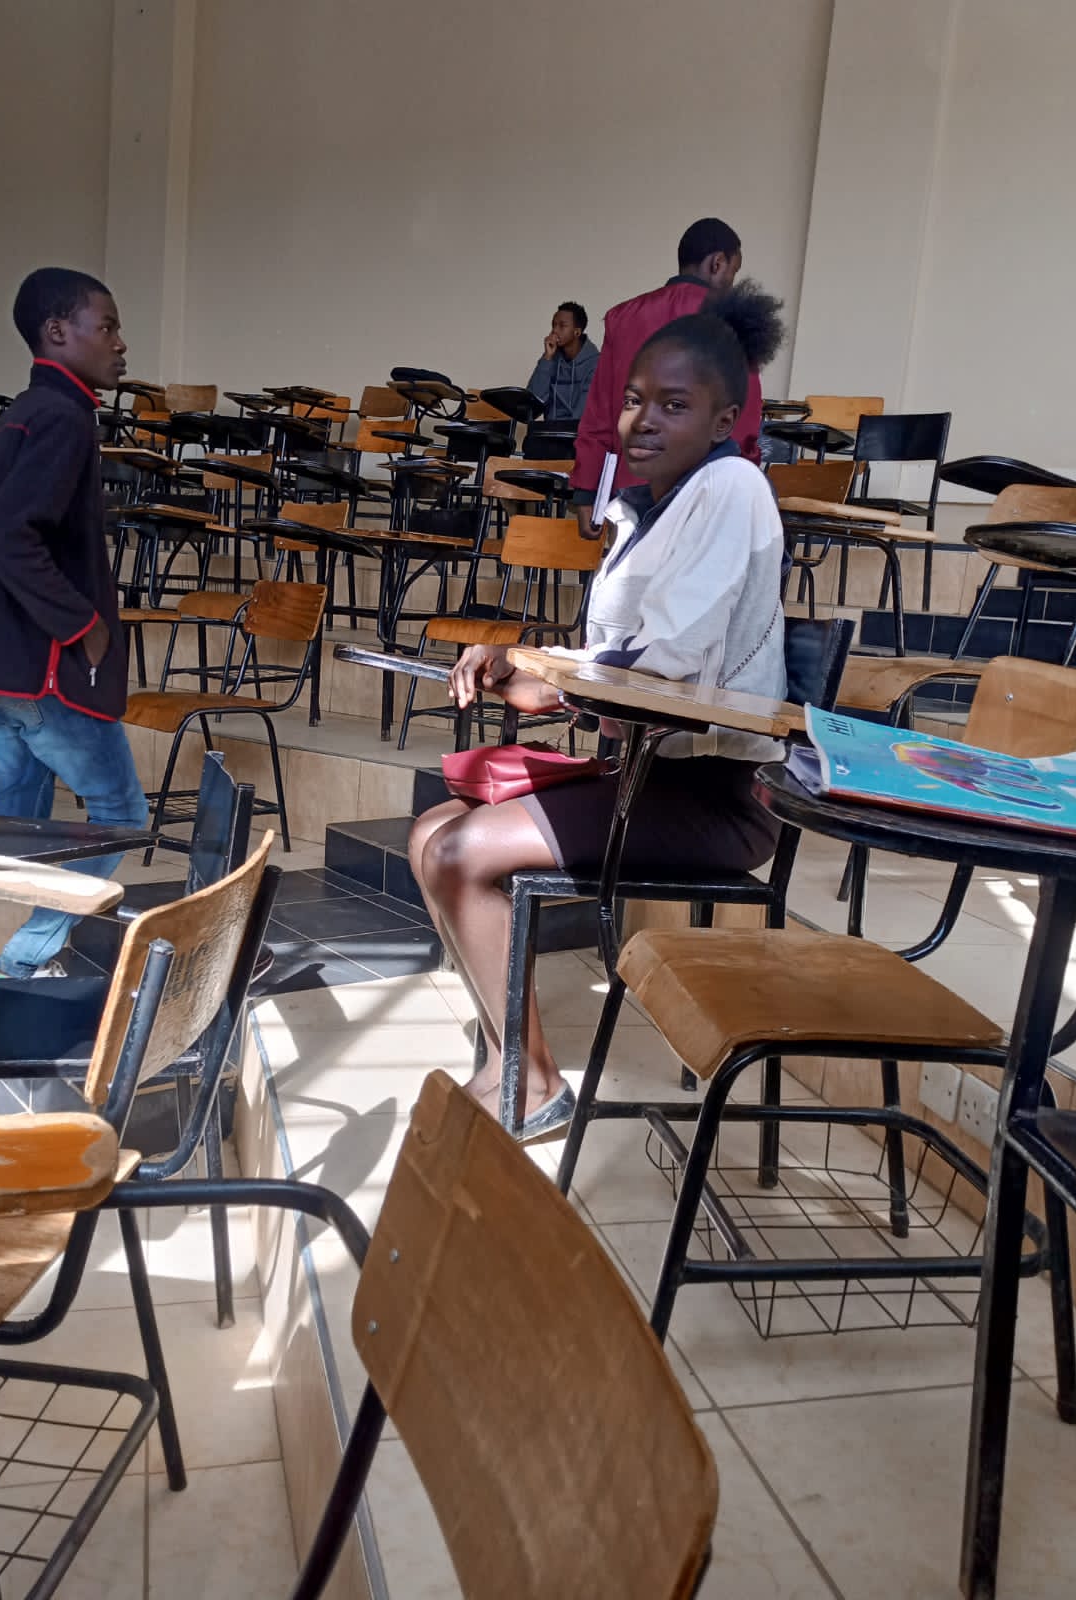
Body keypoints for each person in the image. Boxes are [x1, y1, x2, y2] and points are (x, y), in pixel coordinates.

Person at [409, 283, 787, 1138]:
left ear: (724, 419)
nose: (642, 421)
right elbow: (622, 658)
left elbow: (670, 662)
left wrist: (549, 681)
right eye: (634, 400)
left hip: (719, 798)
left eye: (674, 405)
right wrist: (524, 663)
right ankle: (509, 1054)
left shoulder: (733, 488)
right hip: (649, 778)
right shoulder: (647, 509)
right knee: (430, 832)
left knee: (461, 851)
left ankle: (533, 1082)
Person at [0, 266, 149, 1027]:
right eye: (107, 326)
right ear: (57, 332)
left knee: (10, 833)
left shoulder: (26, 410)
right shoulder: (63, 418)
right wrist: (84, 625)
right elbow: (10, 538)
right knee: (119, 813)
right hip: (41, 674)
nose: (120, 343)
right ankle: (24, 956)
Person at [570, 216, 768, 538]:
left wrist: (587, 491)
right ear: (718, 263)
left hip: (630, 496)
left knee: (628, 570)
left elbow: (600, 414)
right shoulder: (733, 321)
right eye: (734, 271)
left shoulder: (624, 317)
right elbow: (743, 424)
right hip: (706, 497)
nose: (732, 282)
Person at [527, 302, 599, 421]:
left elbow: (585, 413)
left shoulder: (595, 363)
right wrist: (547, 359)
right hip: (549, 429)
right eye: (553, 325)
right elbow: (531, 405)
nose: (554, 330)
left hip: (578, 430)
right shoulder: (550, 359)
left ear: (577, 332)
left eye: (562, 326)